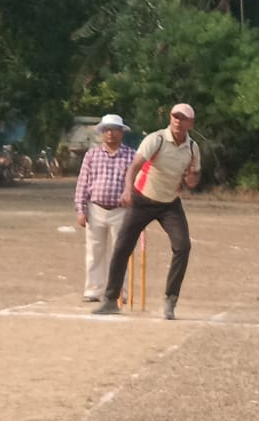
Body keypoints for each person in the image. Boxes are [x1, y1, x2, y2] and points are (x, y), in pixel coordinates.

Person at [96, 102, 200, 320]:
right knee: (122, 246)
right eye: (175, 116)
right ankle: (110, 300)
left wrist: (191, 179)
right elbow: (133, 167)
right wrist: (127, 191)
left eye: (183, 118)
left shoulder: (192, 148)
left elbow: (193, 179)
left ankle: (170, 300)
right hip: (142, 199)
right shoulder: (157, 139)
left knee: (183, 246)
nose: (177, 121)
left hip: (169, 203)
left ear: (190, 123)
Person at [74, 114, 138, 302]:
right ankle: (93, 290)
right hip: (96, 209)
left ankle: (120, 292)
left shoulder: (132, 156)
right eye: (107, 130)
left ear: (122, 132)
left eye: (115, 130)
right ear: (102, 132)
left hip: (121, 210)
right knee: (94, 252)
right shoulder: (92, 155)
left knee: (121, 252)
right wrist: (80, 210)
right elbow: (83, 183)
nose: (111, 134)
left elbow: (138, 182)